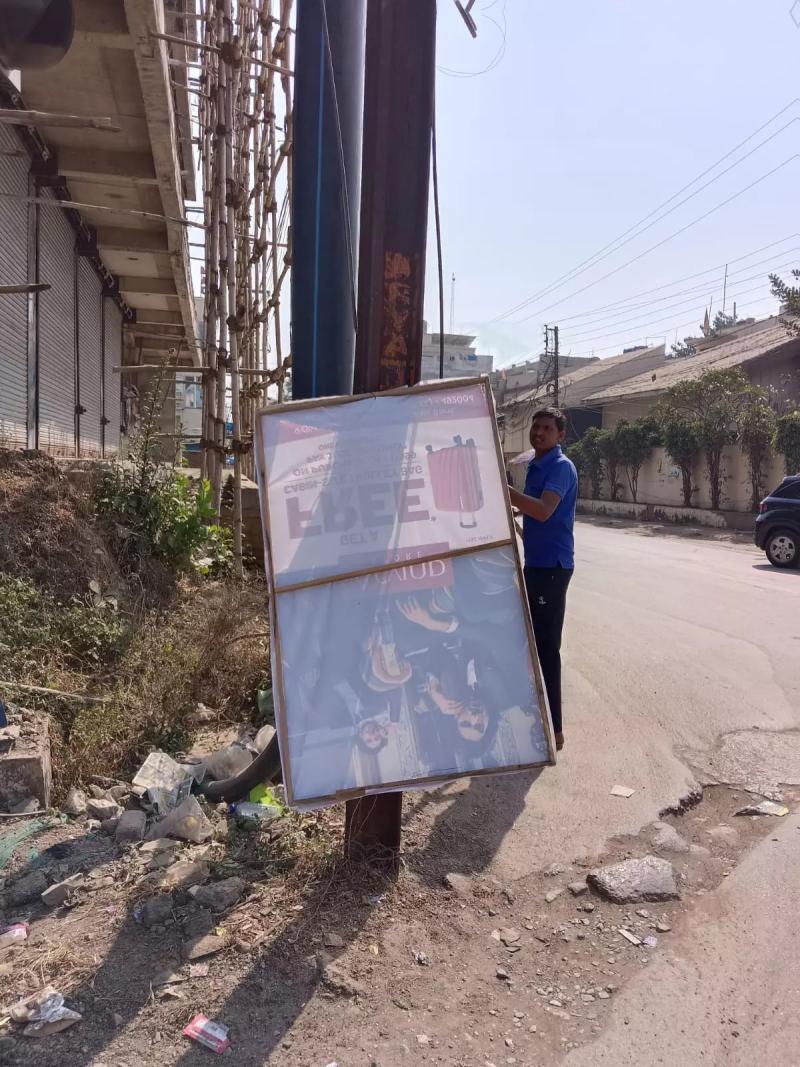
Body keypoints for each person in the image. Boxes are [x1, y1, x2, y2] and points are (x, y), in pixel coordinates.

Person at [507, 407, 577, 751]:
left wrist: (506, 491)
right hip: (536, 563)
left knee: (547, 648)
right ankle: (538, 718)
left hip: (552, 567)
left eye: (547, 428)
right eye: (536, 427)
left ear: (560, 435)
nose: (539, 433)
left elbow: (545, 510)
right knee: (531, 643)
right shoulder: (537, 464)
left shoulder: (560, 466)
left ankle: (555, 730)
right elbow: (532, 507)